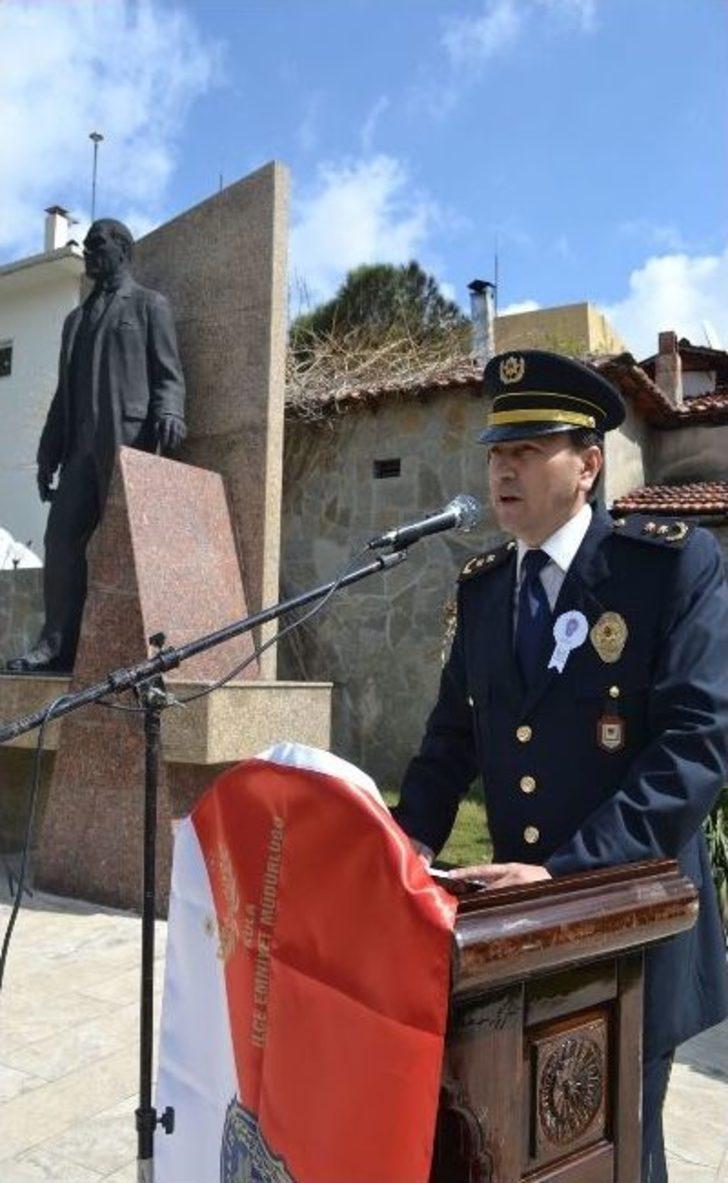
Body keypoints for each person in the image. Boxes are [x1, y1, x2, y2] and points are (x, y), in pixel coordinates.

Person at [392, 349, 728, 1183]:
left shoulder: (668, 566)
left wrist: (565, 875)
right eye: (496, 453)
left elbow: (695, 747)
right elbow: (447, 747)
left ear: (587, 464)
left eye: (526, 450)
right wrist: (395, 855)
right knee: (525, 1150)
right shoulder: (482, 591)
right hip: (523, 938)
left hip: (630, 926)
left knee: (621, 1152)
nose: (502, 470)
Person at [6, 218, 186, 673]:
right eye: (84, 247)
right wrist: (48, 452)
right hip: (79, 451)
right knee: (60, 539)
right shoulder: (75, 320)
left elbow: (168, 373)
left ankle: (140, 646)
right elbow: (62, 395)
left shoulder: (149, 305)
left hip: (129, 441)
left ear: (122, 250)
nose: (87, 254)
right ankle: (56, 645)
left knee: (130, 545)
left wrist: (171, 412)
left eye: (96, 246)